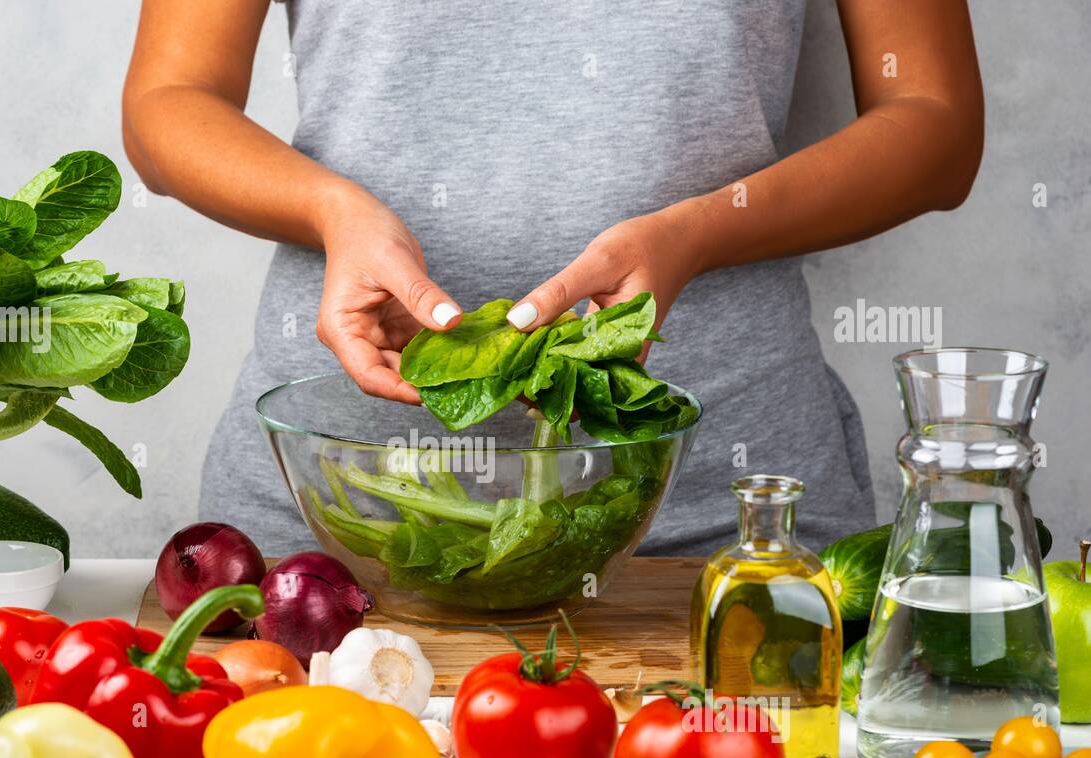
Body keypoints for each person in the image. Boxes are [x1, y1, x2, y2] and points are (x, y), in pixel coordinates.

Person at [123, 0, 983, 555]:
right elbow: (171, 96)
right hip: (337, 507)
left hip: (720, 517)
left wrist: (697, 232)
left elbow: (935, 125)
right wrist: (330, 211)